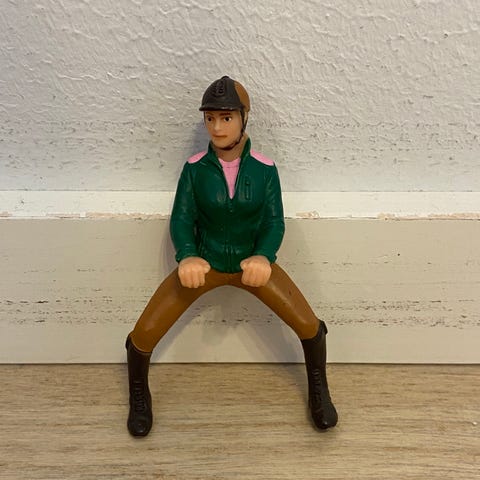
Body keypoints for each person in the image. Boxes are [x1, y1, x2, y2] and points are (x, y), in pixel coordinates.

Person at [126, 75, 338, 436]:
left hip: (249, 265)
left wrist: (264, 256)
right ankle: (138, 393)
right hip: (205, 263)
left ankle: (319, 387)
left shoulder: (264, 170)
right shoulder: (195, 169)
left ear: (244, 118)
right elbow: (182, 219)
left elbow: (274, 221)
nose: (216, 127)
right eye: (210, 118)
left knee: (307, 324)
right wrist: (188, 256)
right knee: (146, 330)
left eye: (226, 118)